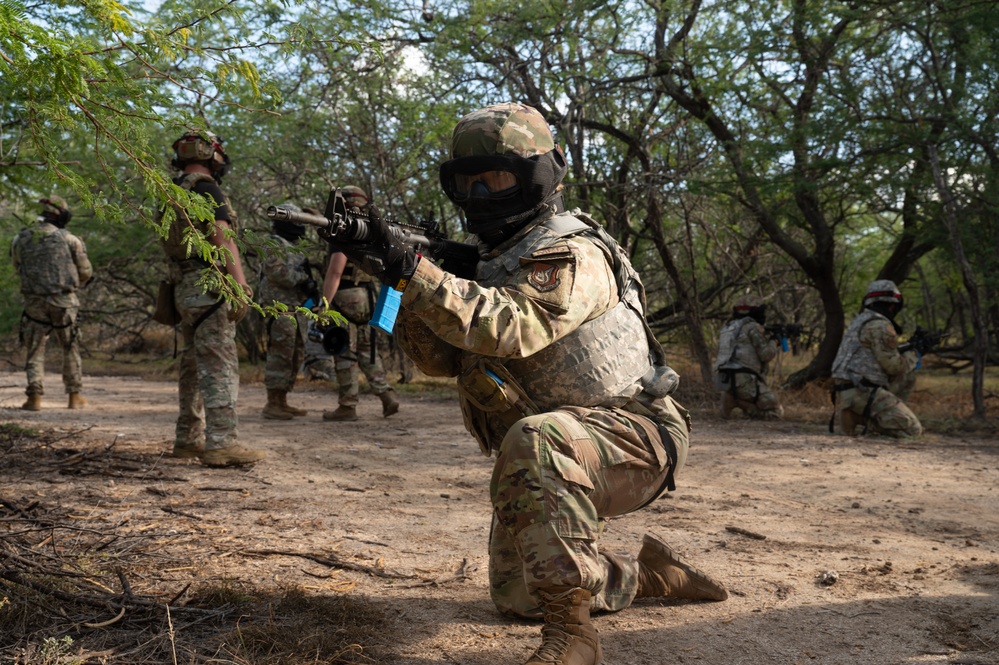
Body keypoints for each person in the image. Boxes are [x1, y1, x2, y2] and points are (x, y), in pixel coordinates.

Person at [352, 103, 727, 665]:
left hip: (637, 433)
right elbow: (436, 360)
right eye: (468, 183)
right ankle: (648, 577)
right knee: (519, 595)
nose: (482, 195)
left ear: (539, 174)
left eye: (497, 178)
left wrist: (417, 271)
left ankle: (572, 641)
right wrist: (396, 281)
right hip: (564, 446)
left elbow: (510, 327)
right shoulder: (484, 262)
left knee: (537, 439)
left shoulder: (573, 250)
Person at [160, 129, 264, 467]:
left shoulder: (170, 192)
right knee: (219, 364)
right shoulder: (208, 189)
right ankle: (221, 443)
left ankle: (186, 439)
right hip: (210, 288)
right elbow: (223, 238)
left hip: (182, 289)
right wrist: (240, 287)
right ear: (209, 154)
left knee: (191, 365)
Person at [319, 186, 400, 422]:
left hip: (346, 296)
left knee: (344, 349)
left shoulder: (344, 228)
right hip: (369, 296)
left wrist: (324, 304)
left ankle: (347, 405)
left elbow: (335, 271)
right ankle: (386, 395)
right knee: (367, 349)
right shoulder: (373, 229)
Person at [11, 195, 93, 411]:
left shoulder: (21, 239)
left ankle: (34, 397)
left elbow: (17, 266)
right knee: (70, 346)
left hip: (34, 302)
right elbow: (85, 271)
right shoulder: (70, 239)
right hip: (64, 300)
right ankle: (74, 396)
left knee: (35, 349)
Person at [831, 279, 922, 438]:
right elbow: (894, 367)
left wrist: (910, 347)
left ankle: (870, 414)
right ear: (893, 305)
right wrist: (917, 352)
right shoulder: (881, 325)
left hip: (849, 389)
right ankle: (866, 422)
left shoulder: (860, 320)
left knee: (908, 376)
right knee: (912, 430)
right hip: (862, 390)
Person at [258, 204, 316, 420]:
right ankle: (272, 403)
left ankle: (282, 401)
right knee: (280, 354)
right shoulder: (272, 243)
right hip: (278, 308)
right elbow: (279, 274)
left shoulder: (293, 247)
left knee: (294, 354)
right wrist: (303, 279)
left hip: (296, 309)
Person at [713, 294, 783, 420]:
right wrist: (774, 341)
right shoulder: (752, 327)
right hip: (746, 380)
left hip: (725, 380)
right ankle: (742, 404)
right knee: (776, 412)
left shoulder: (728, 327)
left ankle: (731, 397)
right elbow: (766, 355)